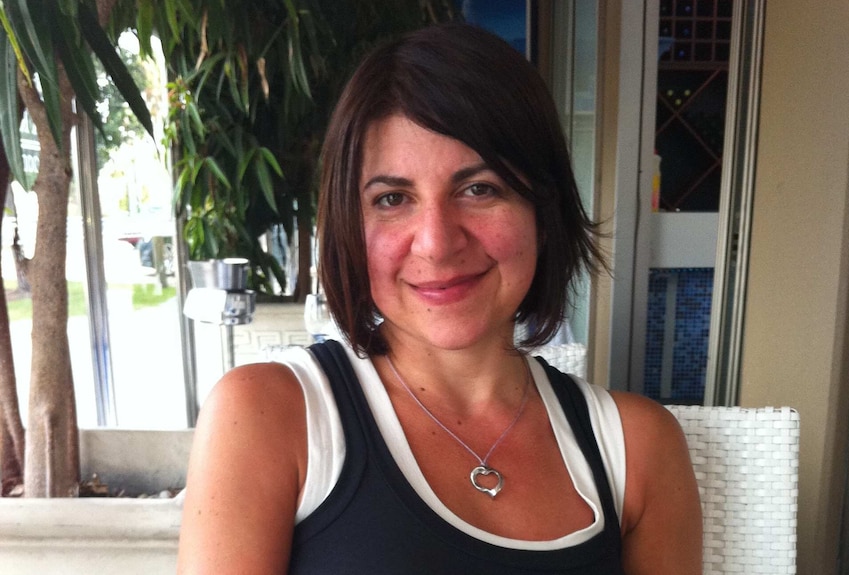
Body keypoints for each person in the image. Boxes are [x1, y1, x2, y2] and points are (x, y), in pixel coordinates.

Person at [177, 23, 702, 574]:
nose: (436, 242)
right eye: (393, 198)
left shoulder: (639, 449)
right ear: (349, 228)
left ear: (543, 215)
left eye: (480, 189)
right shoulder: (268, 416)